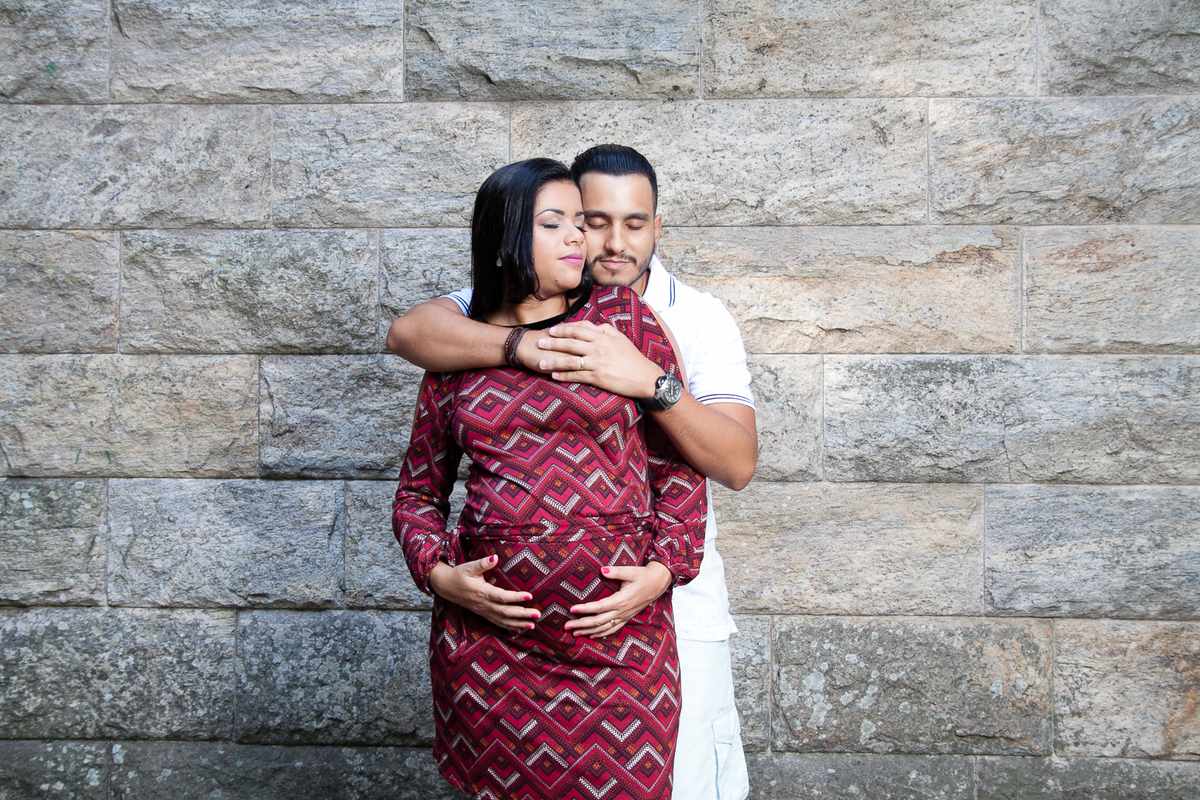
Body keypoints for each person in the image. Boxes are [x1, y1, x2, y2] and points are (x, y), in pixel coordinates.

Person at [389, 145, 757, 800]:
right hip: (493, 653)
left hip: (620, 641)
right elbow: (419, 488)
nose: (584, 237)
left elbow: (683, 469)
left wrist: (667, 568)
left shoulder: (625, 321)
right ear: (507, 236)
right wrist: (441, 575)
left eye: (578, 223)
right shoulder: (462, 339)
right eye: (557, 221)